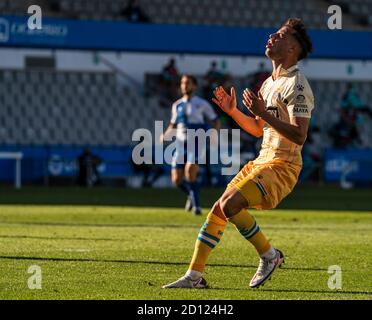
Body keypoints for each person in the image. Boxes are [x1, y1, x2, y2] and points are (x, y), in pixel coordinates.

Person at [163, 18, 314, 289]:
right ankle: (194, 276)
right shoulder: (269, 84)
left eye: (280, 35)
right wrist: (233, 112)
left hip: (283, 166)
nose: (272, 36)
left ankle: (269, 256)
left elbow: (299, 135)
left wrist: (264, 113)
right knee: (220, 209)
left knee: (232, 205)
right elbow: (258, 129)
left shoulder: (298, 85)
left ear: (293, 48)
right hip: (262, 161)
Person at [160, 74, 221, 215]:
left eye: (187, 83)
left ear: (194, 86)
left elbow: (215, 120)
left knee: (190, 173)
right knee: (176, 179)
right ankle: (191, 195)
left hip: (196, 143)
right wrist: (165, 134)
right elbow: (173, 124)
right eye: (182, 83)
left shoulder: (202, 103)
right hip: (181, 144)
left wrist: (213, 134)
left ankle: (197, 207)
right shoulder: (177, 105)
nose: (184, 85)